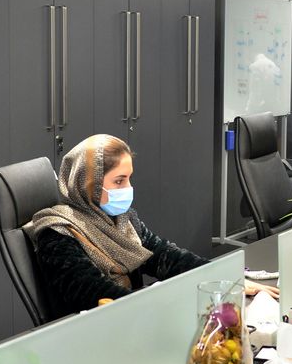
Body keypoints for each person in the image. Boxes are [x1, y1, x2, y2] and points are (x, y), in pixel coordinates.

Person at [27, 134, 277, 319]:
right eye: (119, 181)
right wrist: (169, 303)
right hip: (90, 336)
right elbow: (94, 294)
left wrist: (224, 279)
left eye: (129, 179)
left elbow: (164, 255)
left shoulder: (122, 219)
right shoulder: (58, 232)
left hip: (134, 319)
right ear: (88, 184)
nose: (128, 188)